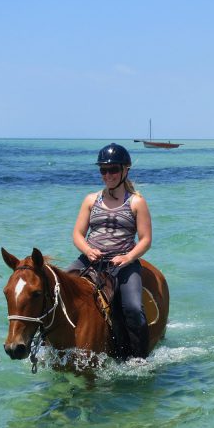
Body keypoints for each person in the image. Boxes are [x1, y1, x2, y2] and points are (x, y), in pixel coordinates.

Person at [67, 143, 151, 359]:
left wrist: (129, 257)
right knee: (59, 289)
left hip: (123, 263)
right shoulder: (90, 200)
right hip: (89, 260)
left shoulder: (136, 202)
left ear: (125, 170)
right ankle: (46, 345)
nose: (107, 175)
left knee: (132, 308)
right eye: (103, 170)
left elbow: (145, 240)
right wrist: (87, 249)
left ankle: (140, 359)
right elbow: (77, 234)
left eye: (113, 169)